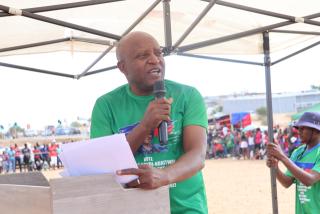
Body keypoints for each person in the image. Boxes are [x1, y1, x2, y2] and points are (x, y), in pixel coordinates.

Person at [90, 31, 208, 213]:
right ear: (123, 67)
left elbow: (198, 155)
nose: (155, 59)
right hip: (131, 207)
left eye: (158, 53)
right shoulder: (106, 105)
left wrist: (165, 175)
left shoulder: (187, 95)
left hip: (185, 208)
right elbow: (103, 163)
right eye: (142, 55)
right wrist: (145, 126)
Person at [267, 112, 320, 213]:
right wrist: (275, 167)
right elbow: (287, 182)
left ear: (316, 131)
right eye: (298, 128)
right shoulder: (298, 152)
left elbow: (309, 180)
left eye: (303, 128)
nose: (298, 132)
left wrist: (282, 157)